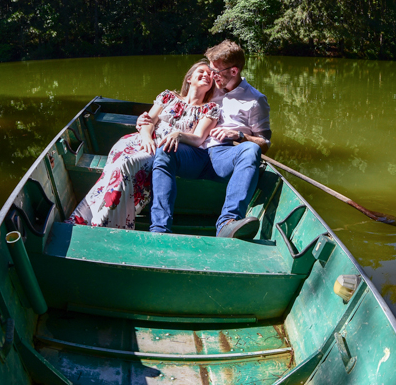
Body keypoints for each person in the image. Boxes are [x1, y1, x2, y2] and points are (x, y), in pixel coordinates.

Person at [142, 40, 272, 239]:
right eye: (211, 70)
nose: (211, 76)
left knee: (251, 150)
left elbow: (265, 143)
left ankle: (227, 223)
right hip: (195, 153)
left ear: (234, 71)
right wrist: (147, 120)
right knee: (165, 149)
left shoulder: (255, 100)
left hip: (225, 156)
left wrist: (240, 136)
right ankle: (160, 228)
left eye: (216, 72)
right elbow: (183, 98)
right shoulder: (211, 87)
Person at [68, 60, 219, 230]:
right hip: (142, 140)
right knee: (116, 167)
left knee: (127, 164)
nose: (206, 75)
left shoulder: (210, 109)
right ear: (189, 78)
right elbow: (149, 120)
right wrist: (146, 136)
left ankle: (102, 222)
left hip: (163, 150)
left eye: (210, 75)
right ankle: (84, 218)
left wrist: (177, 134)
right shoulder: (168, 96)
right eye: (202, 71)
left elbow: (198, 139)